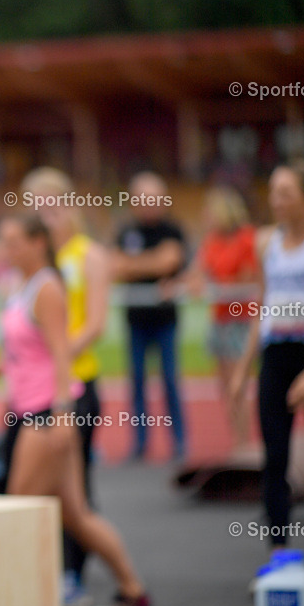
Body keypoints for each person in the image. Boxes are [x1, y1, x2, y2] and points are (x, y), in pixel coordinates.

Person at [0, 214, 149, 606]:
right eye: (2, 242)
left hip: (46, 413)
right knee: (75, 514)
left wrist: (61, 417)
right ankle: (132, 589)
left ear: (38, 243)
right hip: (32, 408)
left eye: (13, 242)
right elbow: (21, 352)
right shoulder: (20, 287)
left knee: (18, 510)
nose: (5, 251)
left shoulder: (47, 289)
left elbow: (62, 355)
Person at [21, 167, 111, 606]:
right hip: (34, 391)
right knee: (33, 487)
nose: (42, 213)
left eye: (49, 204)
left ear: (68, 204)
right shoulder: (34, 264)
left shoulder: (88, 256)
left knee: (75, 489)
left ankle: (75, 574)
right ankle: (40, 570)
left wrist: (56, 355)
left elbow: (94, 324)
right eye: (34, 206)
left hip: (76, 384)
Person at [230, 160, 304, 553]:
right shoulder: (266, 242)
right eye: (272, 192)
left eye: (285, 193)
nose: (276, 201)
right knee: (275, 456)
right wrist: (242, 367)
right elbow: (262, 304)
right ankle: (279, 554)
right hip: (276, 355)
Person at [112, 172, 188, 460]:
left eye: (153, 198)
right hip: (135, 321)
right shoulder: (126, 230)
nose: (148, 204)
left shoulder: (172, 229)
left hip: (166, 320)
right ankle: (140, 442)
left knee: (170, 379)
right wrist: (154, 263)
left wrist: (137, 265)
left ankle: (180, 440)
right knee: (137, 382)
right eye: (142, 199)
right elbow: (116, 266)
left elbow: (173, 260)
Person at [189, 186, 258, 453]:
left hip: (239, 320)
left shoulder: (247, 239)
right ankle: (237, 440)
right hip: (220, 320)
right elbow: (198, 271)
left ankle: (245, 439)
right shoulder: (212, 242)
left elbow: (248, 277)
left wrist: (216, 285)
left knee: (237, 384)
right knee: (225, 387)